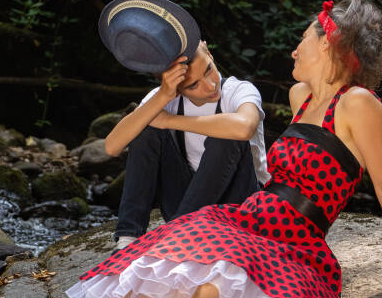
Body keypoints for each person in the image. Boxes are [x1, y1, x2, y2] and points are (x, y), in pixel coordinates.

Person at [56, 0, 382, 298]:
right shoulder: (300, 97)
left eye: (303, 40)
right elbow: (115, 144)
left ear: (327, 44)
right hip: (249, 215)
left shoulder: (359, 105)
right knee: (182, 249)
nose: (294, 49)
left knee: (224, 276)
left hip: (296, 239)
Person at [105, 39, 269, 250]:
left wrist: (169, 121)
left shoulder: (239, 90)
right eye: (193, 85)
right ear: (176, 88)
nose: (210, 85)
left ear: (209, 53)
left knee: (228, 133)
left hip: (242, 203)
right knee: (145, 128)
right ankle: (128, 239)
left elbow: (245, 127)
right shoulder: (165, 97)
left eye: (209, 70)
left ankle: (176, 237)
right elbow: (111, 147)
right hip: (186, 205)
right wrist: (162, 96)